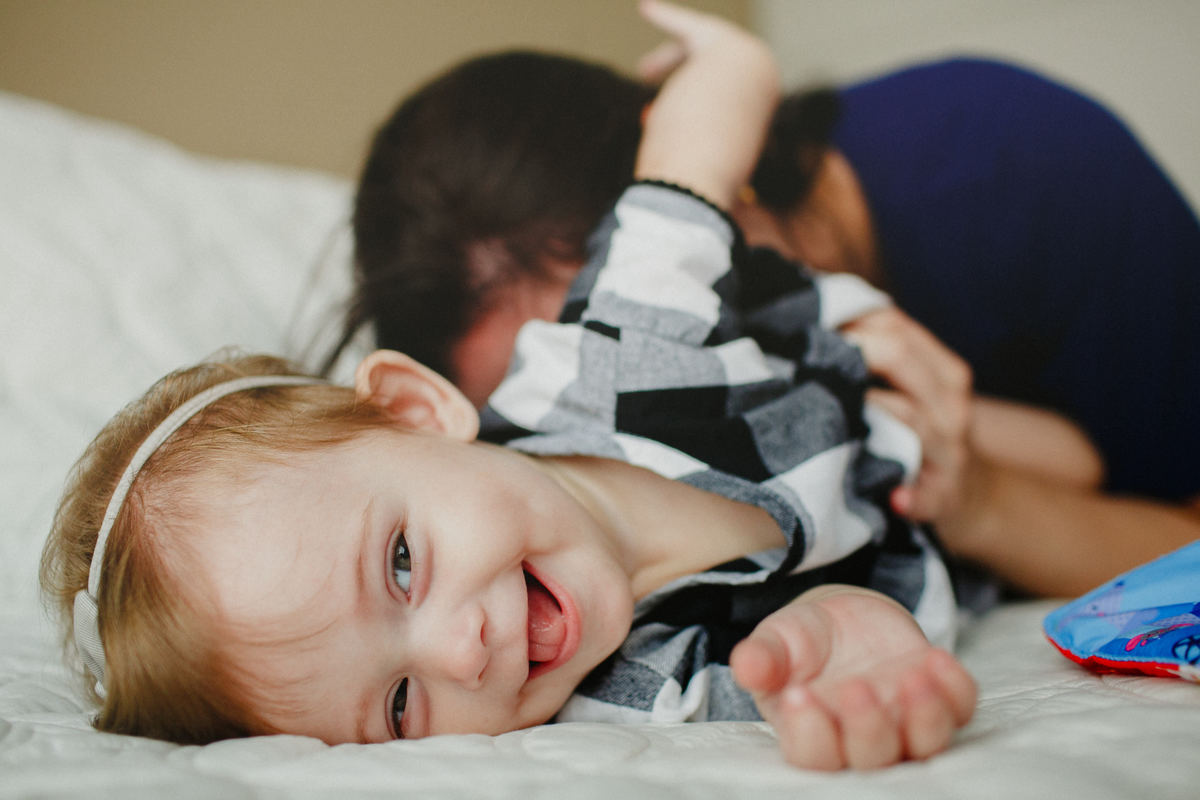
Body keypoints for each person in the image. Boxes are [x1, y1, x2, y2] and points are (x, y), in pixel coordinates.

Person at [41, 1, 975, 770]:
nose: (460, 650)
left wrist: (725, 62)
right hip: (927, 518)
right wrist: (851, 641)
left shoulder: (621, 351)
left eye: (401, 562)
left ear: (419, 409)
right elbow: (789, 676)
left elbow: (687, 170)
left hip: (848, 368)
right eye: (400, 706)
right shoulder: (616, 706)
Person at [329, 30, 1200, 601]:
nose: (621, 433)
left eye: (628, 345)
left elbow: (1154, 512)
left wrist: (978, 497)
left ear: (707, 184)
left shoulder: (1018, 171)